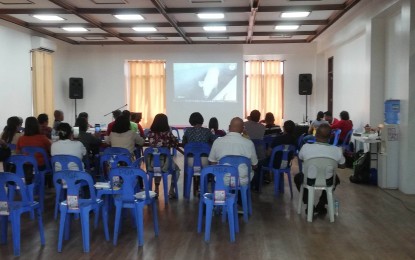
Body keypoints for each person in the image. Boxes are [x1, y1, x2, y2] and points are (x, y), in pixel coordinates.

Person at [294, 123, 344, 215]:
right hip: (327, 180)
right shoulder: (336, 150)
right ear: (330, 137)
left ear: (315, 134)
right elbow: (343, 165)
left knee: (298, 178)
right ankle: (321, 204)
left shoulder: (306, 147)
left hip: (309, 180)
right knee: (335, 179)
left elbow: (300, 158)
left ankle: (309, 204)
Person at [208, 117, 258, 187]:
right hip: (242, 181)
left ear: (229, 127)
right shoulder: (249, 143)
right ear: (243, 129)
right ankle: (243, 196)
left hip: (223, 179)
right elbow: (255, 165)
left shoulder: (217, 142)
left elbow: (212, 162)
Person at [252, 120, 297, 190]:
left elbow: (268, 153)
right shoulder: (294, 140)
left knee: (258, 164)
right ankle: (280, 187)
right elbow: (293, 155)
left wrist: (266, 152)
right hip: (286, 164)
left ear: (284, 128)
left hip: (274, 163)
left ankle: (257, 187)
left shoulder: (278, 139)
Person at [147, 113, 180, 198]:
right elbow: (176, 143)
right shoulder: (168, 134)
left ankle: (156, 188)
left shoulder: (150, 134)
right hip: (166, 163)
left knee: (157, 168)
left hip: (151, 163)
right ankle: (171, 190)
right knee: (177, 171)